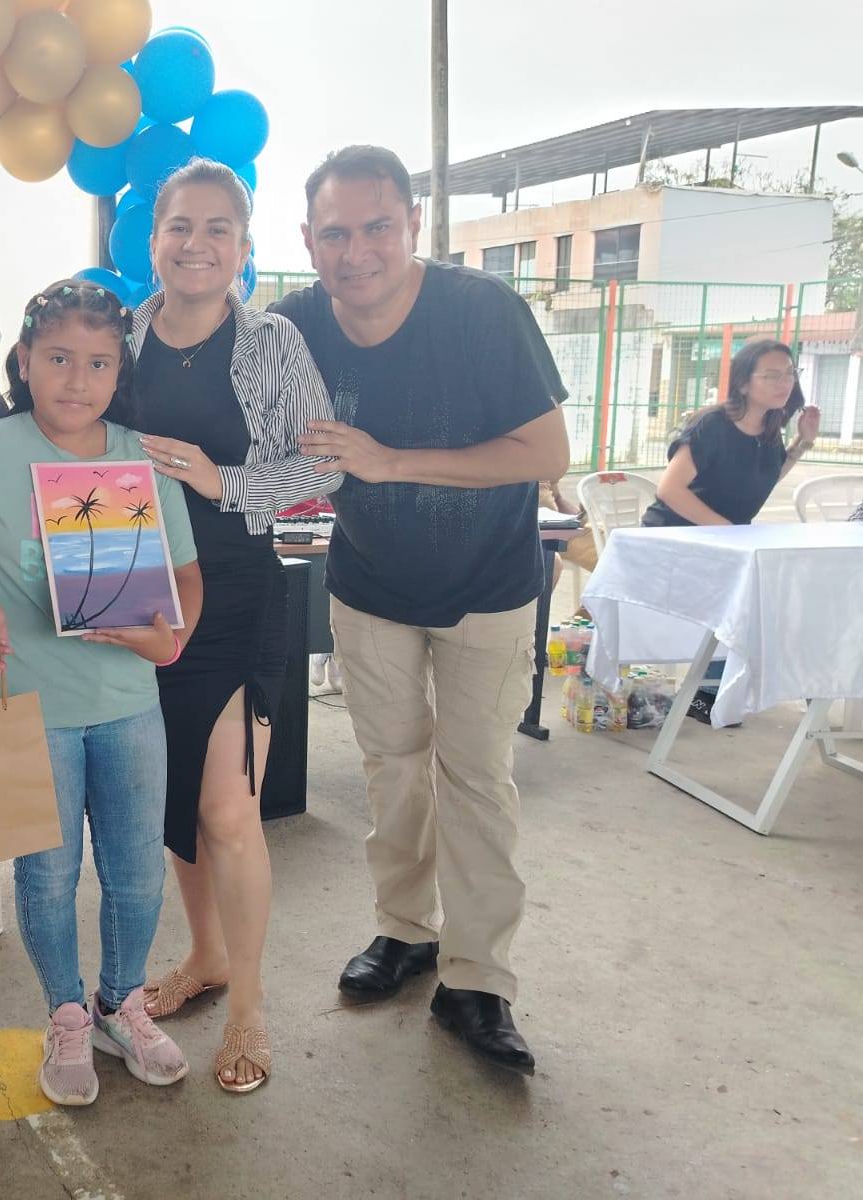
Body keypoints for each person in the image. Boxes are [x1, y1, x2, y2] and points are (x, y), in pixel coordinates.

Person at [275, 145, 571, 1075]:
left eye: (377, 227)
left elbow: (546, 452)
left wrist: (389, 461)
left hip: (488, 587)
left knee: (476, 778)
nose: (356, 251)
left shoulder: (481, 311)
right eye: (334, 233)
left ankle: (478, 979)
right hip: (370, 587)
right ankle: (405, 929)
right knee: (394, 770)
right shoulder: (295, 325)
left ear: (413, 224)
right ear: (308, 239)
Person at [0, 279, 203, 1106]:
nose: (77, 380)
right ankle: (66, 1013)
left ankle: (122, 1004)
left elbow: (186, 578)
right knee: (46, 876)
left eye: (98, 363)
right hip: (28, 707)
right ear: (23, 360)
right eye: (57, 359)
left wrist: (170, 636)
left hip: (129, 703)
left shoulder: (142, 457)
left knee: (137, 874)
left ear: (120, 371)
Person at [128, 159, 340, 1094]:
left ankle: (248, 1004)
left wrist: (224, 483)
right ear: (154, 241)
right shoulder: (121, 335)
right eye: (181, 225)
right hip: (135, 599)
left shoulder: (273, 342)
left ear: (245, 248)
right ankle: (205, 957)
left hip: (237, 598)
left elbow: (324, 468)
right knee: (175, 804)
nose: (197, 243)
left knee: (228, 809)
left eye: (219, 227)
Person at [640, 338, 820, 722]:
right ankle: (708, 692)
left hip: (724, 543)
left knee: (784, 586)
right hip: (673, 540)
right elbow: (670, 490)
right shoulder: (712, 425)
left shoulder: (769, 428)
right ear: (743, 383)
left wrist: (802, 442)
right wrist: (729, 533)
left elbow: (765, 478)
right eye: (771, 375)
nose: (784, 382)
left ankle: (733, 686)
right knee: (755, 592)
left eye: (789, 373)